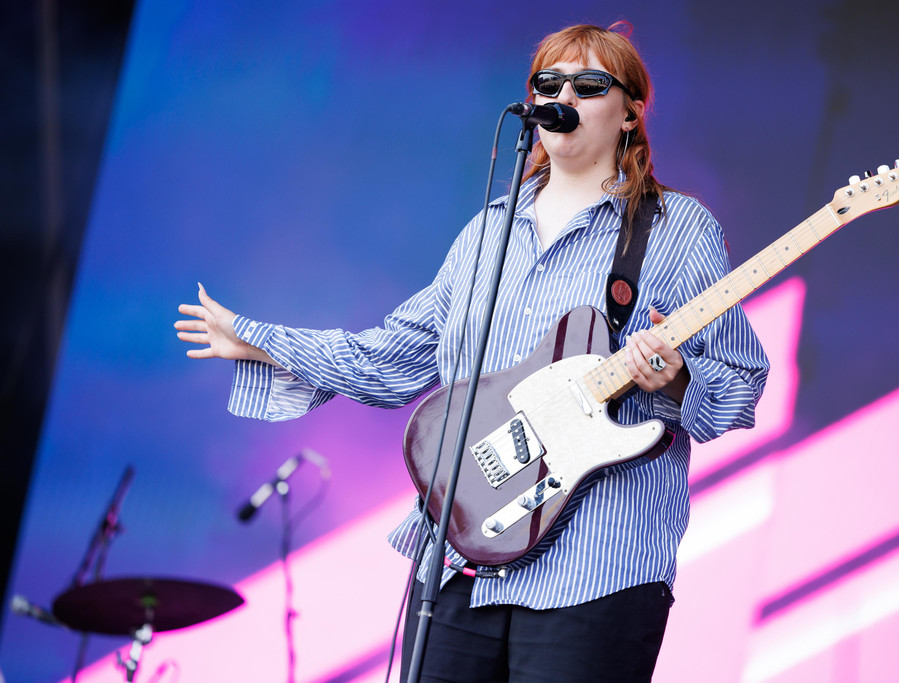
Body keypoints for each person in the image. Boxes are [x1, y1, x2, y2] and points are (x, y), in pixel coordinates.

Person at [176, 22, 768, 683]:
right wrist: (259, 342)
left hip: (596, 564)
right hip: (461, 555)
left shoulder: (677, 231)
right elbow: (391, 358)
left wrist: (678, 379)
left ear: (629, 112)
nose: (563, 96)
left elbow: (740, 382)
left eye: (587, 84)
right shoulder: (487, 233)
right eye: (548, 83)